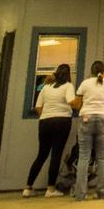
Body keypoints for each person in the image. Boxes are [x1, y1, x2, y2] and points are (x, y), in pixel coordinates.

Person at [24, 63, 74, 198]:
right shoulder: (68, 86)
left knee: (41, 155)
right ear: (68, 74)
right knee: (56, 155)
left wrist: (45, 117)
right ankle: (50, 189)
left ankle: (28, 187)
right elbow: (71, 101)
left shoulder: (46, 87)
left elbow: (38, 107)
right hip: (62, 121)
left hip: (45, 122)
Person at [72, 60, 104, 200]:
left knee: (84, 157)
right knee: (102, 157)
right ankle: (102, 192)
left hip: (87, 118)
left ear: (91, 71)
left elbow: (77, 104)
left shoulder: (85, 83)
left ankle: (80, 194)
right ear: (103, 71)